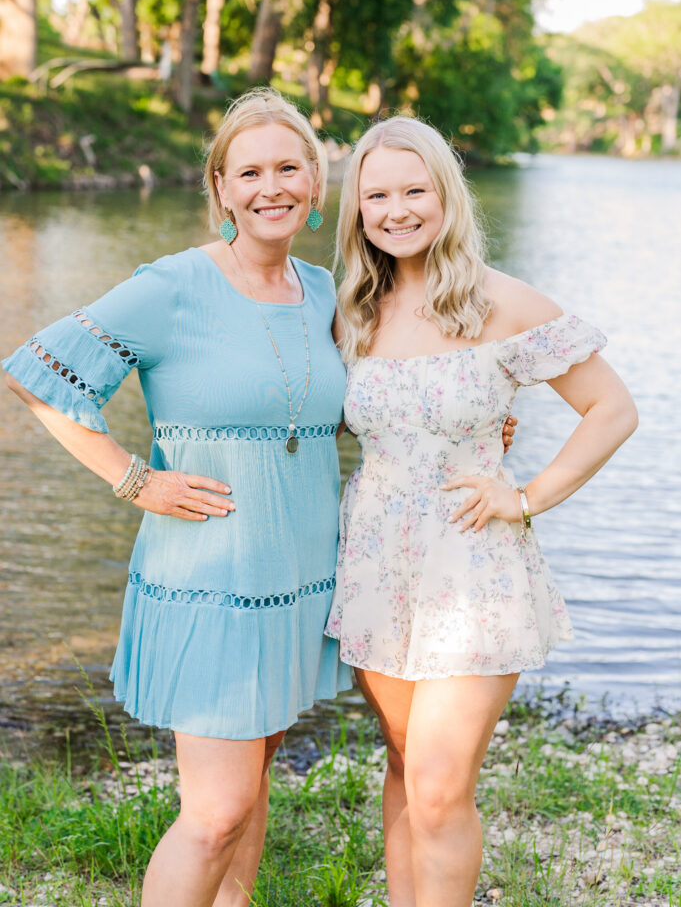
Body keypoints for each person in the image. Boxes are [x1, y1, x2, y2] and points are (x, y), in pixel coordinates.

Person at [2, 89, 355, 907]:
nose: (271, 187)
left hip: (296, 579)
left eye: (288, 167)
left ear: (314, 181)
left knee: (251, 790)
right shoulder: (174, 285)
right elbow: (38, 375)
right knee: (215, 811)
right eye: (250, 172)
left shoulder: (324, 291)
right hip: (210, 579)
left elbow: (332, 411)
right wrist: (133, 478)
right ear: (222, 188)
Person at [324, 116, 638, 907]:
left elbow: (610, 409)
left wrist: (525, 494)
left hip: (473, 567)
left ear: (445, 195)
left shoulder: (500, 303)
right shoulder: (352, 311)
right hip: (374, 563)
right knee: (402, 765)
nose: (396, 211)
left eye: (413, 191)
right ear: (356, 208)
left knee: (436, 785)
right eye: (377, 195)